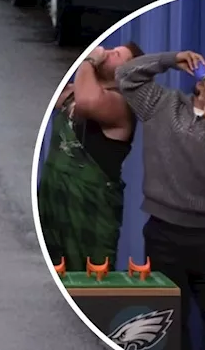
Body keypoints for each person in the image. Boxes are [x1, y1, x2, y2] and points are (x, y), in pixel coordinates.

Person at [116, 48, 205, 350]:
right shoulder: (163, 103)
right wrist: (170, 60)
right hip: (162, 233)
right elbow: (124, 75)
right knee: (168, 323)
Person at [37, 42, 142, 271]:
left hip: (88, 212)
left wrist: (89, 60)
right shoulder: (80, 87)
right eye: (113, 49)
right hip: (52, 204)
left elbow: (87, 103)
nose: (109, 52)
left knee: (86, 286)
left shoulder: (122, 105)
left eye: (117, 55)